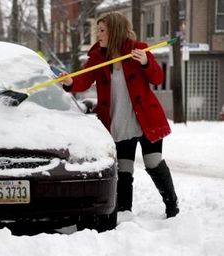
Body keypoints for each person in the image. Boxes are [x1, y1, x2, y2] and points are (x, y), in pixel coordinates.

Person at [60, 12, 179, 218]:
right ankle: (124, 211)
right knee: (124, 170)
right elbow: (84, 80)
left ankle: (172, 204)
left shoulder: (138, 50)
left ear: (114, 31)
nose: (98, 34)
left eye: (102, 30)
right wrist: (70, 82)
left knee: (153, 162)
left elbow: (157, 77)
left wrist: (145, 63)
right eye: (98, 30)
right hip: (119, 122)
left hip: (145, 120)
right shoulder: (98, 57)